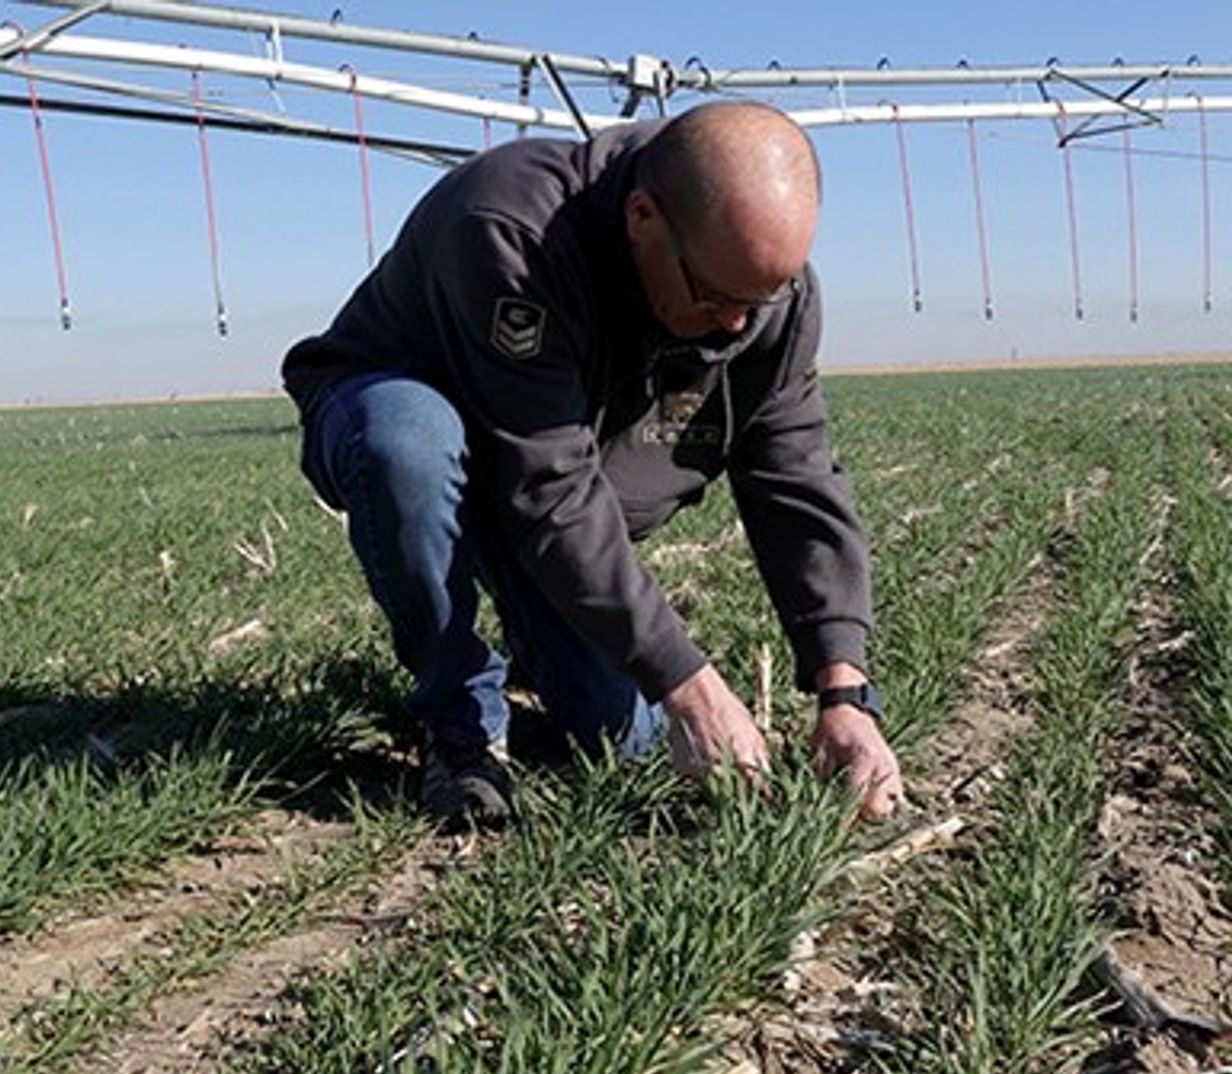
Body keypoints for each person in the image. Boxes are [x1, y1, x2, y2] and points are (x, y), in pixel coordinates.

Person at [283, 101, 905, 829]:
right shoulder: (512, 229)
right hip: (407, 411)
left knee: (627, 739)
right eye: (716, 297)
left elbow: (795, 483)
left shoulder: (764, 297)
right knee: (406, 443)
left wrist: (846, 692)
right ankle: (459, 730)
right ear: (643, 217)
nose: (738, 324)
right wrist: (694, 687)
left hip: (539, 471)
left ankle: (538, 656)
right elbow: (549, 489)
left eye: (758, 302)